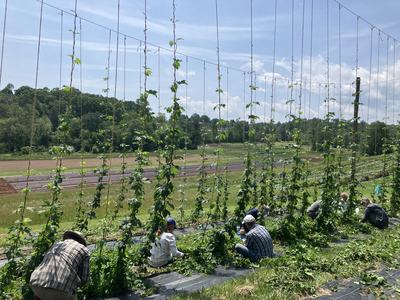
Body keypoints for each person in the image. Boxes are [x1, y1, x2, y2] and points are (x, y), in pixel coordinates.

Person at [30, 231, 90, 300]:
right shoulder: (84, 249)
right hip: (61, 290)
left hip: (35, 282)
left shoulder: (56, 244)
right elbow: (84, 279)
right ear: (81, 242)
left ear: (68, 237)